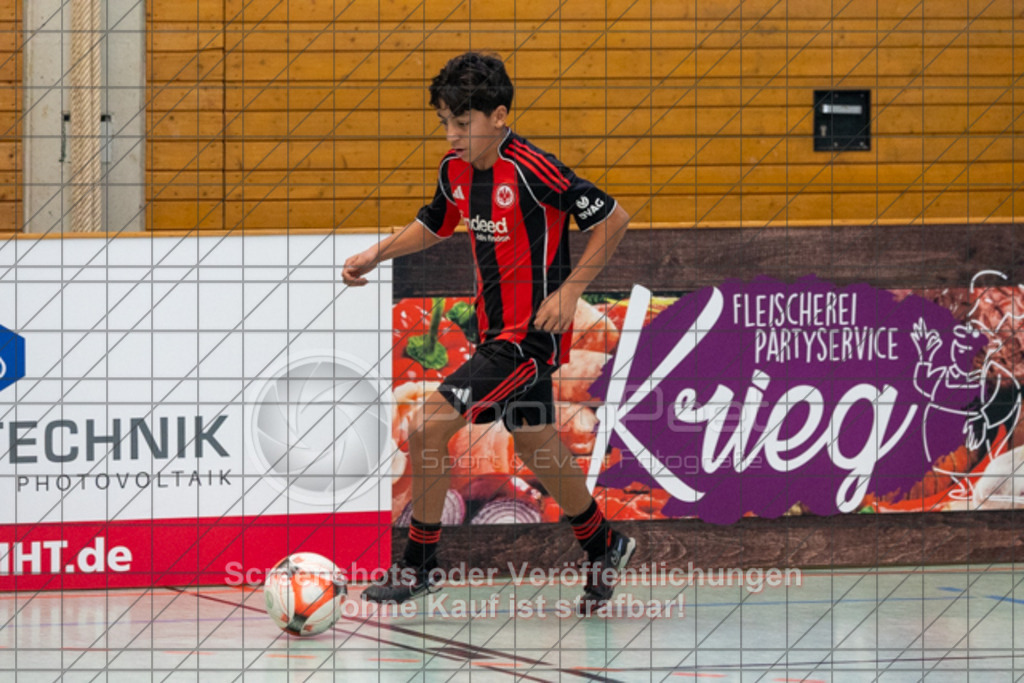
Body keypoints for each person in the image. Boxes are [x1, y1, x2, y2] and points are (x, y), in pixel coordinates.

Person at [342, 52, 634, 615]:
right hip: (492, 333)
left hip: (528, 339)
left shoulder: (533, 168)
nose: (452, 135)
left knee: (427, 426)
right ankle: (604, 543)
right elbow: (435, 222)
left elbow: (613, 219)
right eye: (446, 123)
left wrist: (570, 291)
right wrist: (376, 254)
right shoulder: (454, 171)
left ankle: (419, 566)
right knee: (538, 446)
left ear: (499, 115)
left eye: (463, 123)